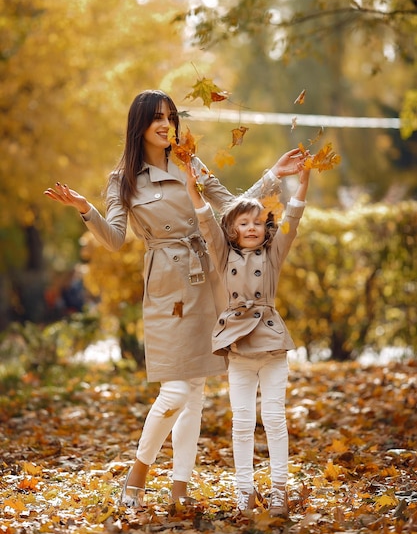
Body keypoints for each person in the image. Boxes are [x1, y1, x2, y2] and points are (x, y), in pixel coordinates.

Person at [44, 89, 305, 509]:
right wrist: (84, 208)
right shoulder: (123, 179)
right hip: (167, 285)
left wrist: (273, 174)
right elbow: (113, 240)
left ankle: (179, 489)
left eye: (170, 117)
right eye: (156, 119)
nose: (166, 125)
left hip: (209, 281)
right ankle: (138, 474)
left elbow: (233, 207)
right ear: (140, 126)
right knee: (177, 391)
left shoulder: (191, 163)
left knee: (196, 390)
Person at [185, 158, 311, 517]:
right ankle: (244, 490)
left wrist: (303, 182)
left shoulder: (272, 255)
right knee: (241, 421)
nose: (252, 227)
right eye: (244, 223)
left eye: (258, 222)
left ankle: (279, 491)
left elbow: (293, 220)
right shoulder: (224, 257)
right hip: (238, 349)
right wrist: (192, 183)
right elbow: (205, 219)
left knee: (274, 417)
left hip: (271, 348)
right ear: (233, 230)